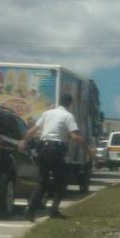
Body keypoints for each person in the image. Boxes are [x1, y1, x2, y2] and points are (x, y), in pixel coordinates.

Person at [19, 93, 93, 221]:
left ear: (59, 102)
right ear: (70, 104)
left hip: (43, 149)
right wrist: (89, 152)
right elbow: (75, 136)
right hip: (56, 151)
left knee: (42, 181)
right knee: (62, 181)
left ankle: (30, 212)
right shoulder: (68, 116)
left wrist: (24, 141)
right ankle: (54, 211)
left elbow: (32, 130)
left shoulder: (48, 113)